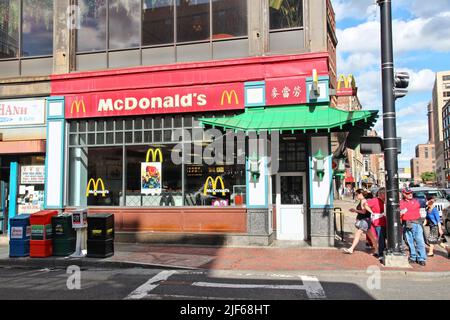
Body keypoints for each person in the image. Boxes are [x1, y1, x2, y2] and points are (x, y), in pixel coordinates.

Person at [343, 189, 379, 254]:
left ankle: (351, 248)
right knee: (371, 236)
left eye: (357, 194)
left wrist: (355, 210)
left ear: (360, 194)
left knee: (358, 233)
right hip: (365, 220)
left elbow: (364, 212)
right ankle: (377, 249)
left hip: (365, 220)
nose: (356, 196)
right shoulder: (362, 200)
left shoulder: (363, 201)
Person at [399, 188, 427, 266]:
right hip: (406, 224)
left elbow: (427, 204)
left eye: (411, 193)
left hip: (416, 223)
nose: (410, 194)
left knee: (420, 241)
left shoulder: (416, 201)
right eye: (408, 193)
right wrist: (400, 214)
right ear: (404, 194)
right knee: (409, 241)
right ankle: (413, 257)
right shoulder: (401, 203)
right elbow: (398, 214)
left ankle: (421, 258)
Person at [367, 188, 387, 259]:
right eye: (384, 193)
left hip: (386, 222)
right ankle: (380, 253)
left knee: (384, 237)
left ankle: (381, 251)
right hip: (378, 222)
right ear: (381, 194)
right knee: (380, 238)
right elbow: (365, 204)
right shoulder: (375, 200)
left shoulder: (385, 201)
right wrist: (372, 213)